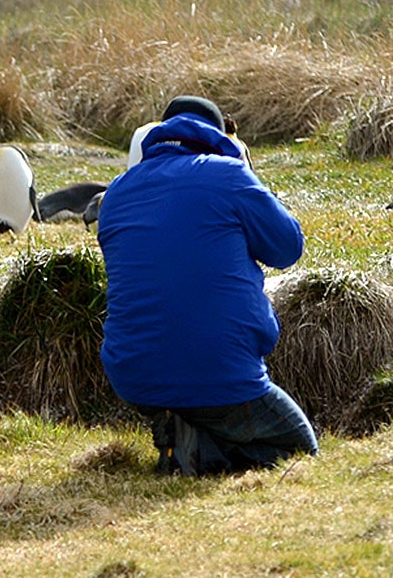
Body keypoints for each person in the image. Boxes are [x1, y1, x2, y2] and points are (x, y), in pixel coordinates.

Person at [97, 95, 317, 475]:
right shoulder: (228, 176)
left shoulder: (116, 192)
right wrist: (248, 178)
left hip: (132, 374)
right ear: (218, 135)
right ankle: (201, 448)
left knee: (196, 388)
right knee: (298, 445)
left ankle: (182, 425)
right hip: (218, 370)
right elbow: (287, 248)